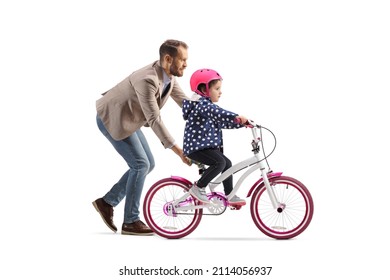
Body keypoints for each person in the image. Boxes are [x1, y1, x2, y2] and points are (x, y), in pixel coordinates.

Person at [93, 39, 190, 235]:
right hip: (112, 118)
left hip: (129, 118)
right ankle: (130, 220)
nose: (186, 64)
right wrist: (179, 151)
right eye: (183, 60)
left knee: (148, 164)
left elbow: (187, 103)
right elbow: (154, 119)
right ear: (168, 58)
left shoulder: (168, 76)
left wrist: (214, 115)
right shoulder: (148, 79)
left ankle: (107, 202)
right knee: (140, 164)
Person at [182, 68, 247, 205]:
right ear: (204, 90)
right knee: (219, 163)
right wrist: (235, 116)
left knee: (227, 163)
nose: (220, 92)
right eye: (217, 88)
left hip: (204, 147)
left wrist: (241, 124)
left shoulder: (207, 108)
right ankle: (198, 188)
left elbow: (222, 121)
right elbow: (219, 113)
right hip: (196, 148)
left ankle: (229, 194)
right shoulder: (202, 105)